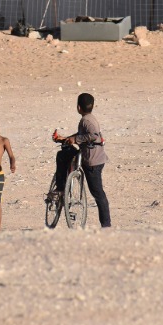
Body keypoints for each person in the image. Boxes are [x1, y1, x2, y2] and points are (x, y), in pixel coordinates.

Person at [54, 93, 112, 228]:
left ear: (78, 107)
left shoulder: (86, 121)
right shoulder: (88, 118)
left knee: (97, 193)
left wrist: (76, 140)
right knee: (62, 155)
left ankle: (106, 225)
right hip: (87, 156)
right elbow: (82, 135)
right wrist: (66, 138)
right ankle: (61, 188)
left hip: (93, 161)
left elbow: (93, 135)